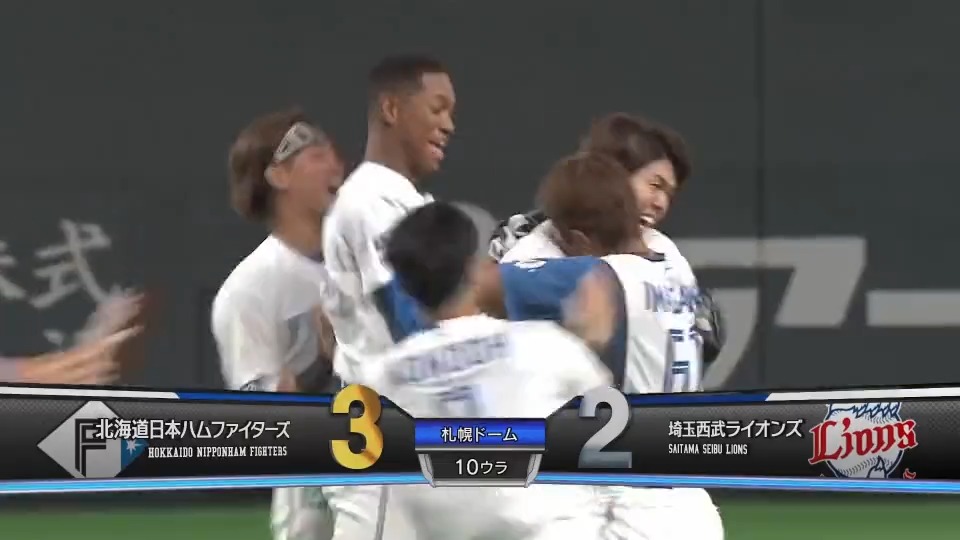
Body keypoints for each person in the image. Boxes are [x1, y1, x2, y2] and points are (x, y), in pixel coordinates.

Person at [365, 200, 617, 540]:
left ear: (405, 287)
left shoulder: (380, 380)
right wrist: (589, 342)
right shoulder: (542, 344)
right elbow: (606, 421)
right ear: (475, 270)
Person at [321, 53, 454, 540]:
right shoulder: (370, 199)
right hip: (380, 436)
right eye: (437, 108)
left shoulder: (405, 202)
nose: (449, 125)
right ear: (392, 109)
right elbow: (407, 318)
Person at [489, 112, 724, 365]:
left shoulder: (663, 250)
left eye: (669, 194)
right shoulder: (532, 248)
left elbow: (706, 340)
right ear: (613, 175)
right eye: (655, 186)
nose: (662, 204)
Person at [211, 107, 345, 540]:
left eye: (333, 152)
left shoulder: (366, 263)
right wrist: (322, 360)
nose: (336, 164)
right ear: (279, 176)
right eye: (317, 155)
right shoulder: (250, 289)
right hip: (318, 506)